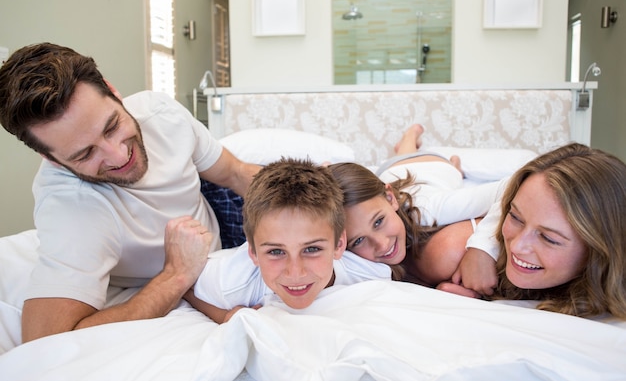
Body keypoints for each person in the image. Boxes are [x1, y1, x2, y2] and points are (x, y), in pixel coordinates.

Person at [0, 42, 260, 342]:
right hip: (195, 269)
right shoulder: (70, 208)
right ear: (51, 158)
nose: (118, 155)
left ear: (112, 91)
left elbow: (234, 172)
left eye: (111, 126)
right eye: (85, 154)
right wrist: (175, 275)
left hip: (215, 201)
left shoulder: (160, 114)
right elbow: (48, 340)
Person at [189, 158, 391, 323]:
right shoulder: (233, 282)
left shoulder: (370, 276)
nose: (296, 272)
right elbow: (187, 287)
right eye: (276, 252)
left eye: (311, 249)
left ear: (339, 245)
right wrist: (223, 316)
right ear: (253, 253)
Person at [437, 143, 626, 319]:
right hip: (426, 180)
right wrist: (480, 248)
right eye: (515, 217)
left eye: (548, 238)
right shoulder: (454, 248)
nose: (517, 246)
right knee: (436, 179)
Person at [328, 124, 504, 287]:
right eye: (358, 240)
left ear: (391, 199)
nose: (382, 245)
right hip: (389, 175)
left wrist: (482, 249)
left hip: (430, 166)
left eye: (378, 221)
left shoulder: (429, 209)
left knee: (451, 179)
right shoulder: (355, 235)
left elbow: (508, 189)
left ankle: (412, 138)